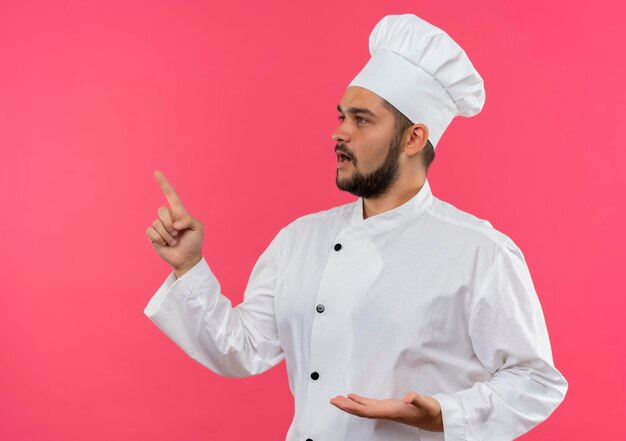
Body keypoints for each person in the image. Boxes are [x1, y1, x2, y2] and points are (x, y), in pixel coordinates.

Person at [144, 14, 567, 441]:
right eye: (342, 115)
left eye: (361, 120)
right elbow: (243, 349)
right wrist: (189, 267)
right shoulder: (300, 240)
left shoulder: (480, 251)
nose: (339, 133)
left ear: (413, 138)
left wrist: (444, 413)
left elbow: (536, 382)